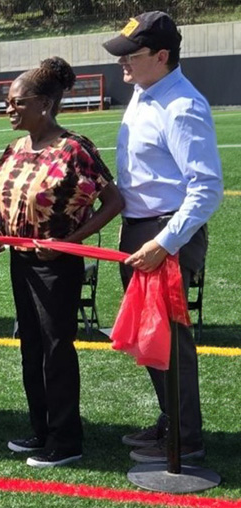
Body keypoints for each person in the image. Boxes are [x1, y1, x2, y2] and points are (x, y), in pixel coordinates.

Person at [103, 11, 223, 463]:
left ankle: (185, 439)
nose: (122, 64)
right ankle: (172, 421)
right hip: (142, 230)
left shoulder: (182, 106)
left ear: (162, 56)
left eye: (130, 56)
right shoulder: (144, 91)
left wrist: (164, 243)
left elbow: (207, 188)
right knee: (151, 339)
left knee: (169, 342)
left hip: (163, 235)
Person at [0, 57, 123, 467]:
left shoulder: (74, 149)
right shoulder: (15, 148)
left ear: (45, 104)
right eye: (6, 102)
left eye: (17, 102)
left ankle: (67, 441)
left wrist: (68, 240)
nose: (8, 109)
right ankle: (41, 428)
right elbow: (8, 202)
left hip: (56, 265)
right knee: (30, 346)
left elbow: (114, 201)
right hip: (20, 261)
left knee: (56, 350)